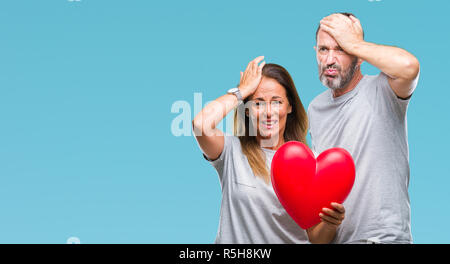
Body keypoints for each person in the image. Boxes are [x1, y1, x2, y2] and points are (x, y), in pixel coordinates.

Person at [193, 56, 346, 243]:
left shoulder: (312, 165)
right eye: (258, 103)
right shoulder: (231, 151)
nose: (268, 112)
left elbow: (316, 239)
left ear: (290, 106)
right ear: (247, 110)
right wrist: (241, 91)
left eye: (276, 102)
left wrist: (330, 223)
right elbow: (201, 124)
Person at [308, 13, 420, 243]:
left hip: (384, 239)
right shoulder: (315, 109)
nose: (329, 59)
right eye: (323, 49)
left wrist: (355, 44)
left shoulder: (384, 89)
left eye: (341, 49)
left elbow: (410, 67)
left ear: (359, 57)